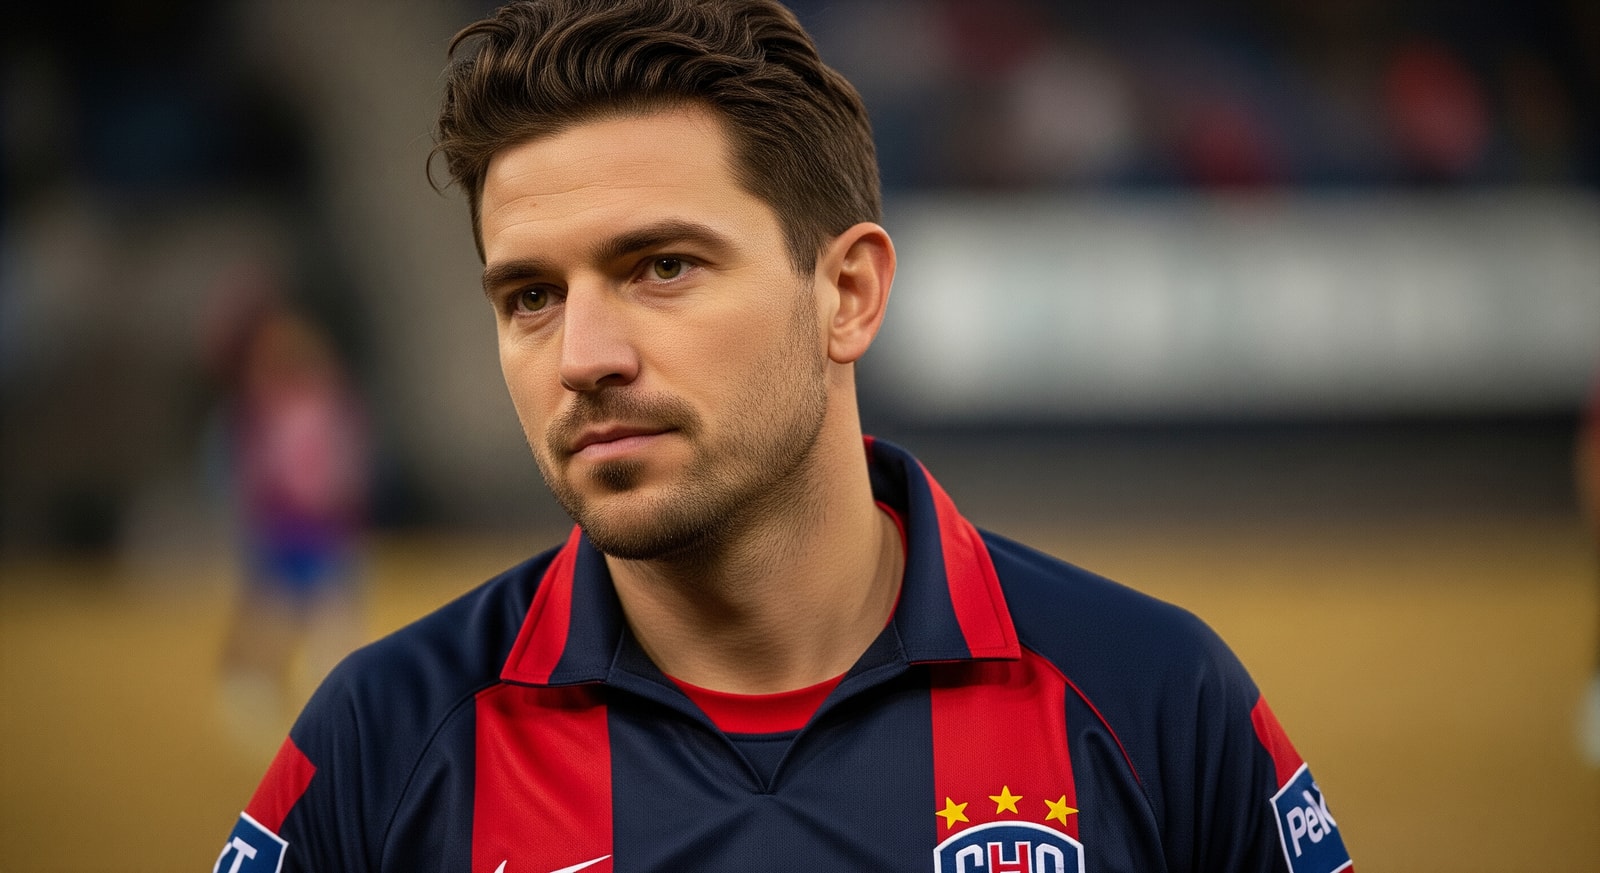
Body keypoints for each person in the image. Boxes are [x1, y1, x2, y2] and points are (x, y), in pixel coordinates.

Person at [217, 2, 1353, 871]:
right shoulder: (387, 742)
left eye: (662, 267)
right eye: (529, 296)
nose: (582, 354)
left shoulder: (1151, 699)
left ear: (846, 293)